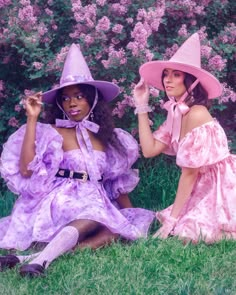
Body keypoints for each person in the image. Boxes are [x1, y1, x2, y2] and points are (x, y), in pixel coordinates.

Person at [0, 44, 155, 277]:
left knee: (116, 229)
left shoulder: (106, 138)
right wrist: (32, 119)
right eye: (66, 98)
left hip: (96, 201)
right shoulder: (54, 132)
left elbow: (115, 183)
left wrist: (129, 217)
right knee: (95, 214)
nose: (71, 103)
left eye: (79, 97)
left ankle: (27, 259)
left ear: (92, 101)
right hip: (62, 200)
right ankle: (42, 262)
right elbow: (26, 169)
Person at [133, 32, 236, 243]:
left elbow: (189, 174)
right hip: (201, 186)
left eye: (176, 74)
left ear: (191, 81)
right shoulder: (177, 112)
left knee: (189, 232)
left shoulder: (197, 113)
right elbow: (149, 149)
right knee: (184, 229)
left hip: (222, 186)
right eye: (166, 74)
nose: (168, 80)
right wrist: (141, 105)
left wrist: (172, 219)